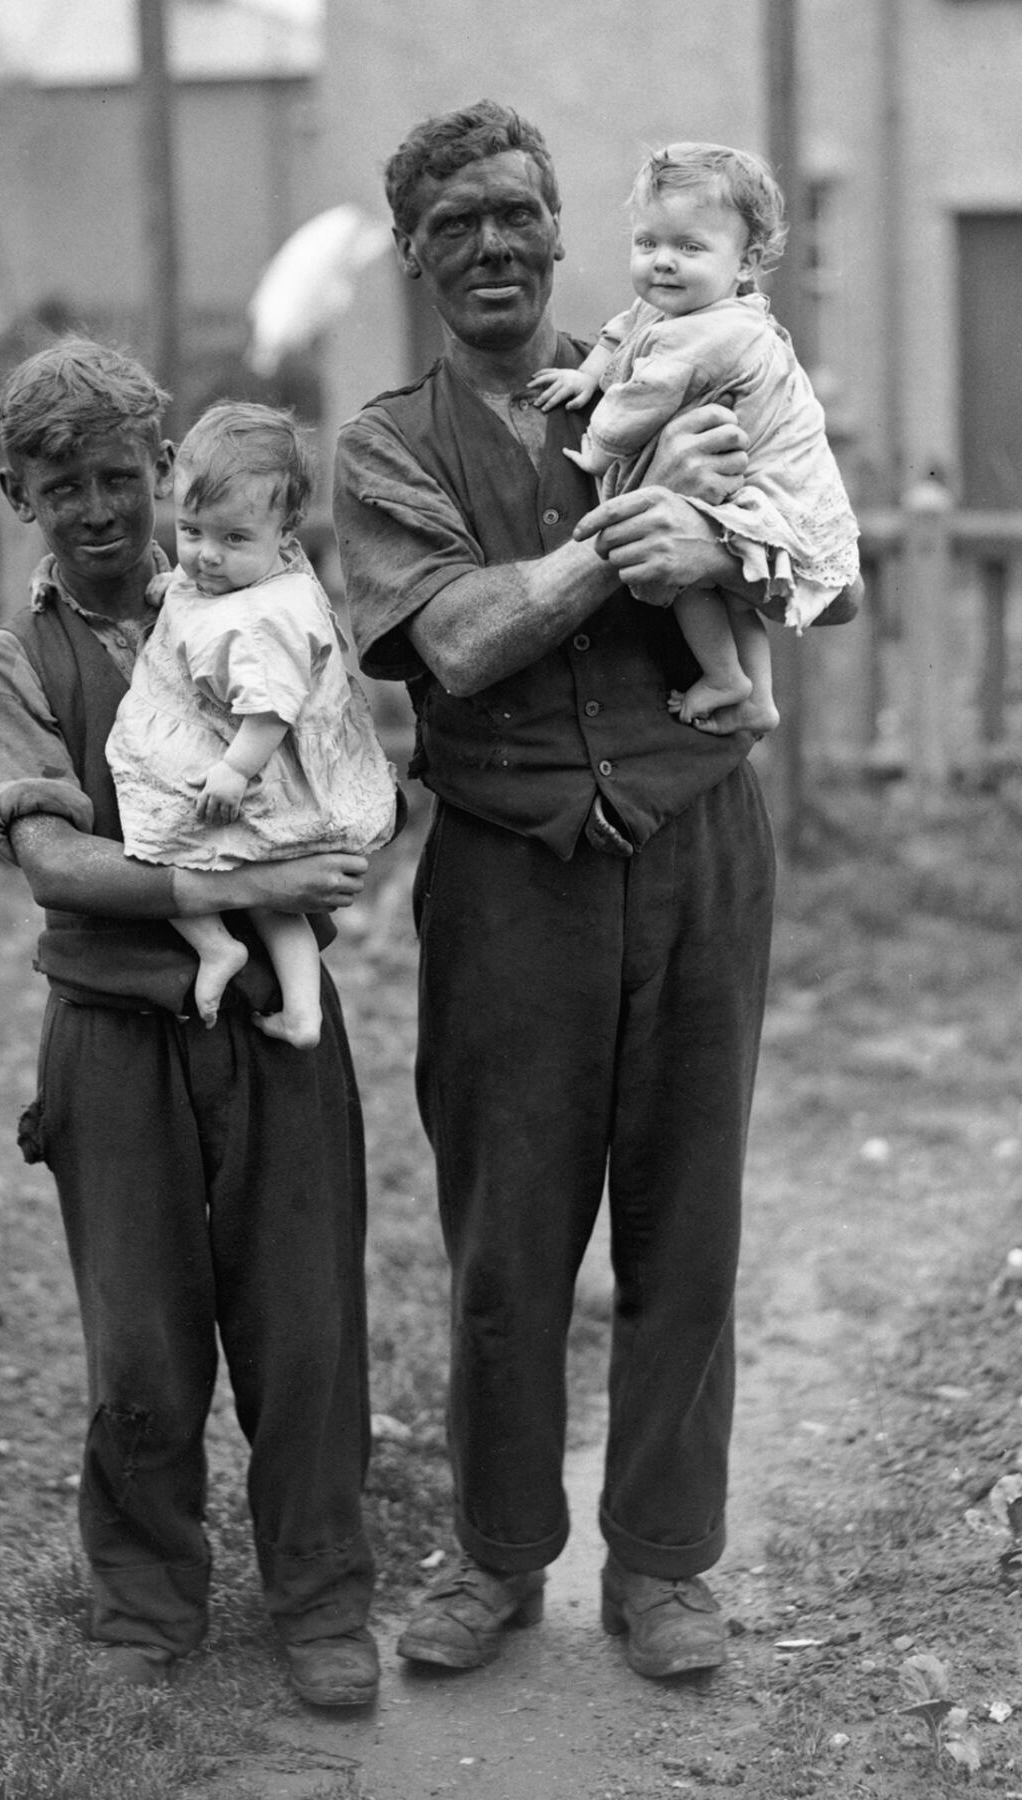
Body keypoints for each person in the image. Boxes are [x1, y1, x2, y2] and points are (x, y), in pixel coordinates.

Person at [333, 100, 859, 1683]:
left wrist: (719, 538)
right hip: (507, 876)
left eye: (516, 214)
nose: (491, 246)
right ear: (415, 258)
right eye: (453, 226)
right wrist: (616, 548)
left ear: (560, 229)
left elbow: (811, 568)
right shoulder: (387, 447)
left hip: (700, 842)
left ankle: (664, 1568)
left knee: (688, 1217)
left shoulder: (679, 358)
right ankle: (497, 1558)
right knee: (508, 1231)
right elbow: (461, 641)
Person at [0, 338, 381, 1709]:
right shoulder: (13, 665)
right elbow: (59, 868)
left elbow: (339, 754)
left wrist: (327, 837)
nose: (98, 511)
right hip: (111, 1038)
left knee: (306, 1319)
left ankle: (320, 1598)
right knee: (139, 1341)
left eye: (121, 480)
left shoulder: (251, 592)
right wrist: (253, 877)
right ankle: (147, 1602)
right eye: (62, 484)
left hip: (273, 1022)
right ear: (17, 492)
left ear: (162, 476)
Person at [529, 140, 859, 732]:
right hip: (753, 477)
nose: (662, 262)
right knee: (728, 586)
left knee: (691, 574)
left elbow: (637, 401)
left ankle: (728, 678)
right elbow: (622, 332)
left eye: (689, 247)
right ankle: (757, 697)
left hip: (769, 483)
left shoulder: (713, 333)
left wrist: (596, 448)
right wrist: (584, 373)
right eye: (647, 242)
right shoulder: (674, 307)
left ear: (745, 262)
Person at [105, 400, 398, 1044]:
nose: (207, 556)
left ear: (287, 531)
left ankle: (215, 946)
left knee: (159, 841)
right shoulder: (227, 580)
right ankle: (301, 1010)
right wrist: (171, 589)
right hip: (259, 778)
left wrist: (234, 771)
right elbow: (194, 586)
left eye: (234, 539)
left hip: (251, 772)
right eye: (192, 531)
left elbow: (270, 709)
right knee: (270, 900)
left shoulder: (263, 619)